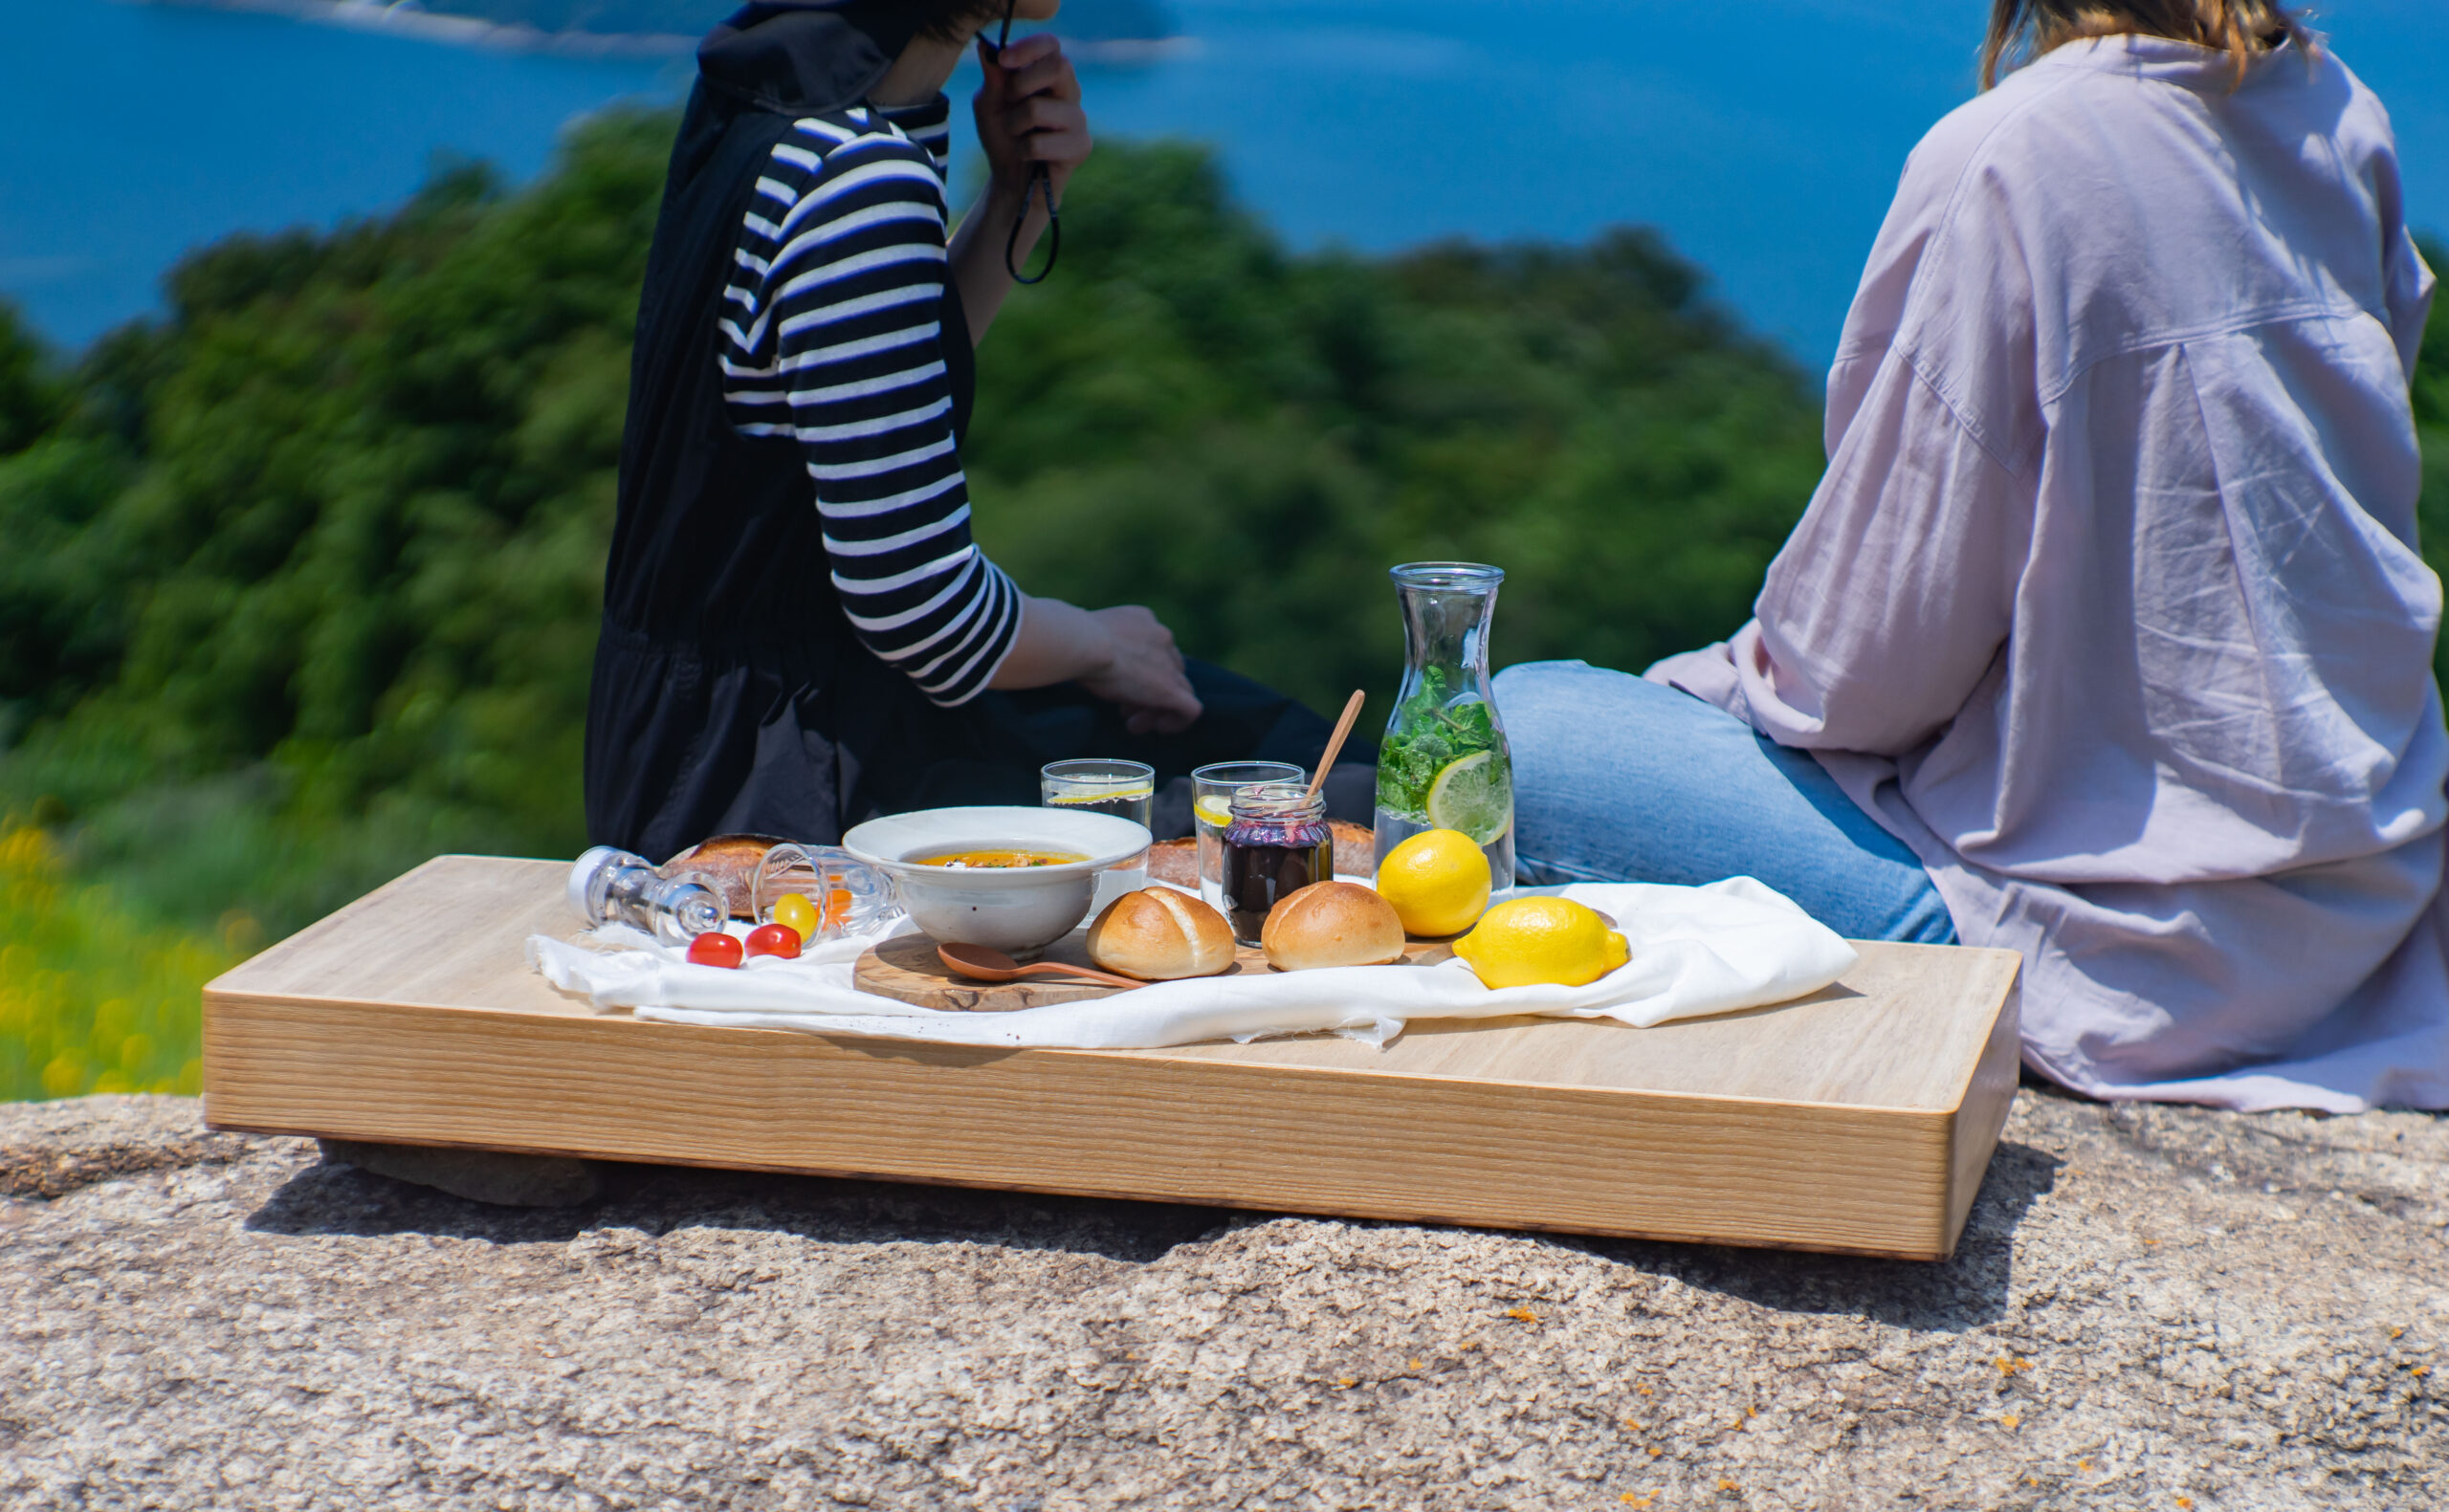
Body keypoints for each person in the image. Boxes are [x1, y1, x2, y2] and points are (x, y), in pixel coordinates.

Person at [1497, 0, 2447, 1112]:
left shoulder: (2015, 154)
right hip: (2363, 912)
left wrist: (1703, 693)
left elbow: (1857, 677)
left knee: (1523, 731)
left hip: (2109, 956)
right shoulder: (2334, 111)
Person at [585, 0, 1366, 861]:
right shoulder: (855, 177)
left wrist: (1015, 201)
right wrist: (1102, 644)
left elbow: (865, 386)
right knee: (1330, 794)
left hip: (704, 745)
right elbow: (920, 605)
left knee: (1245, 735)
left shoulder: (768, 99)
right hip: (795, 798)